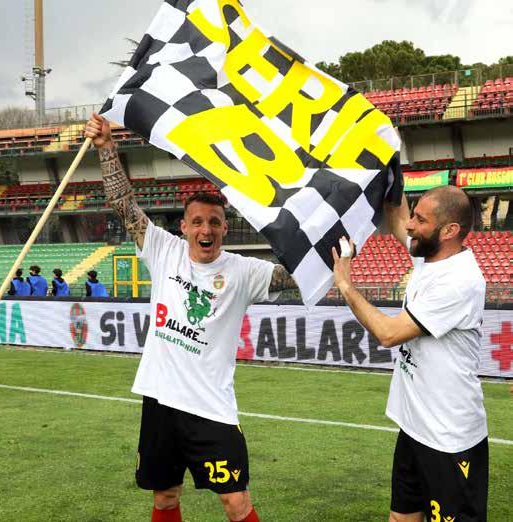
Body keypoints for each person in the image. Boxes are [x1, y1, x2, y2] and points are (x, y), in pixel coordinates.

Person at [85, 113, 298, 522]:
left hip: (211, 407)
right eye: (197, 222)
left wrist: (333, 249)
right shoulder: (163, 250)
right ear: (183, 226)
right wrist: (106, 147)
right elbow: (124, 206)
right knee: (165, 496)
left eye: (214, 222)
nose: (206, 230)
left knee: (236, 501)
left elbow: (293, 276)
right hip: (160, 400)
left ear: (225, 228)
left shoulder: (243, 271)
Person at [332, 186, 488, 522]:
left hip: (449, 437)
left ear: (449, 231)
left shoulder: (459, 280)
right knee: (401, 518)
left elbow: (388, 334)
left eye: (421, 220)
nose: (410, 226)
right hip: (415, 428)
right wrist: (391, 168)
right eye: (415, 215)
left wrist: (345, 285)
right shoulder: (429, 254)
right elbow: (397, 214)